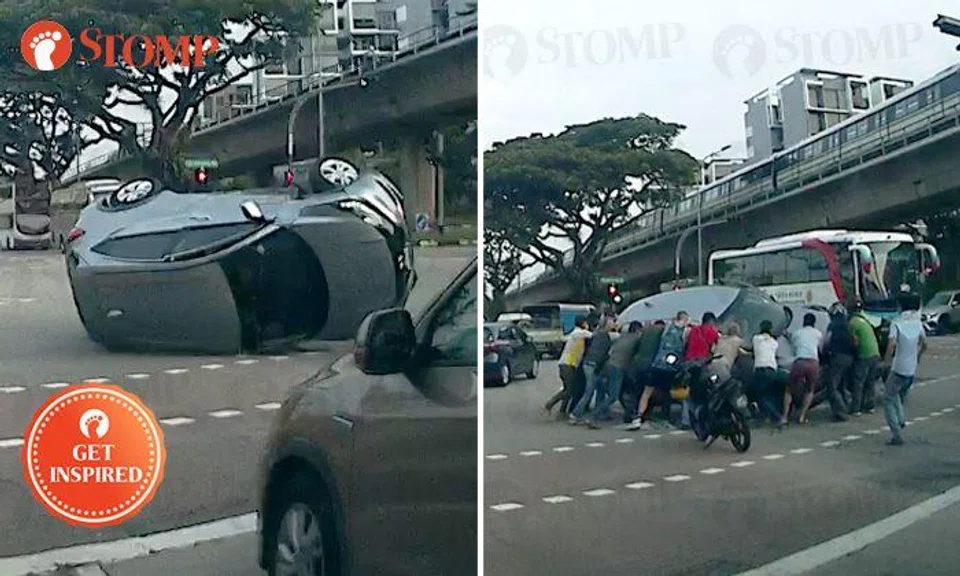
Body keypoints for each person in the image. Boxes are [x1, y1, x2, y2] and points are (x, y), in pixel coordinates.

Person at [628, 311, 690, 430]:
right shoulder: (685, 332)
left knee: (646, 392)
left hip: (657, 363)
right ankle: (665, 418)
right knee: (667, 393)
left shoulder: (666, 328)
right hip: (671, 367)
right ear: (685, 319)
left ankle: (638, 417)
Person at [882, 293, 927, 445]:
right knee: (896, 394)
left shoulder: (897, 323)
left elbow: (891, 345)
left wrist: (886, 362)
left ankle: (896, 432)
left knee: (888, 398)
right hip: (911, 368)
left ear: (901, 306)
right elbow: (925, 343)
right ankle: (900, 419)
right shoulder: (917, 322)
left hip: (898, 366)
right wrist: (918, 356)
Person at [585, 321, 642, 428]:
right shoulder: (636, 339)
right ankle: (593, 416)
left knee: (608, 392)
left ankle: (629, 415)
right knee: (613, 396)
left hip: (608, 365)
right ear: (638, 330)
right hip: (618, 368)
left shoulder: (622, 337)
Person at [569, 315, 614, 426]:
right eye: (612, 322)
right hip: (593, 365)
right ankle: (575, 414)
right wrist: (598, 368)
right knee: (589, 391)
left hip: (589, 364)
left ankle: (599, 413)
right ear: (606, 324)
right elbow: (600, 354)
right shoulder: (604, 336)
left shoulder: (598, 334)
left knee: (600, 388)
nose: (614, 323)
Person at [543, 316, 592, 418]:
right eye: (586, 323)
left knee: (568, 388)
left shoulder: (575, 334)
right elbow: (593, 335)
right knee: (570, 389)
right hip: (568, 365)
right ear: (582, 324)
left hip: (566, 364)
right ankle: (549, 404)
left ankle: (562, 410)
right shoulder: (578, 333)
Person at [622, 320, 665, 427]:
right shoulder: (661, 332)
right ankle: (644, 415)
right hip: (650, 366)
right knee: (648, 393)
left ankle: (629, 415)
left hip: (636, 365)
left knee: (635, 392)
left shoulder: (644, 332)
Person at [681, 312, 721, 428]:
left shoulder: (693, 330)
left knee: (688, 392)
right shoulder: (713, 332)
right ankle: (706, 417)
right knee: (708, 388)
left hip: (688, 363)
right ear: (711, 322)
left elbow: (685, 343)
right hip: (702, 364)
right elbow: (718, 346)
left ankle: (686, 420)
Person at [783, 313, 822, 425]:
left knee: (789, 390)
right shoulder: (818, 333)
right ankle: (802, 416)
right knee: (810, 390)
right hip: (813, 363)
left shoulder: (798, 333)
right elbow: (820, 347)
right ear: (814, 323)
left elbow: (793, 345)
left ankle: (785, 417)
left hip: (800, 362)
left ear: (803, 322)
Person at [848, 301, 881, 416]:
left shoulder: (852, 323)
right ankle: (870, 406)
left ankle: (856, 408)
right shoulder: (865, 321)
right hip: (875, 353)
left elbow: (855, 342)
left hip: (864, 355)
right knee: (870, 382)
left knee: (859, 382)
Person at [822, 303, 854, 421]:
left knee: (832, 386)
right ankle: (846, 406)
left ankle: (841, 411)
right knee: (841, 384)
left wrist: (824, 355)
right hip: (850, 357)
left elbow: (826, 342)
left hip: (838, 357)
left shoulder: (832, 325)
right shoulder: (847, 325)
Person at [748, 320, 782, 423]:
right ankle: (767, 417)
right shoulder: (774, 342)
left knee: (760, 395)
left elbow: (753, 351)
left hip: (760, 369)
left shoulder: (756, 338)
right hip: (772, 369)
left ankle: (776, 415)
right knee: (770, 393)